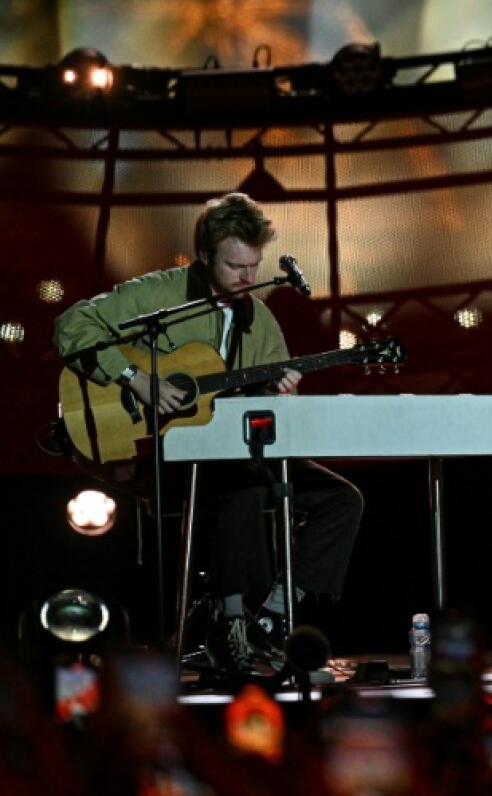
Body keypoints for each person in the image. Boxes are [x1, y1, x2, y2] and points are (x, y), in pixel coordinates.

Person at [53, 192, 363, 675]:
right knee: (237, 481)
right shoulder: (159, 294)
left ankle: (273, 616)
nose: (247, 278)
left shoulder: (259, 321)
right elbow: (73, 324)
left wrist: (279, 395)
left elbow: (273, 422)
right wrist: (136, 379)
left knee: (342, 499)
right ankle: (229, 623)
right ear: (204, 256)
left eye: (254, 266)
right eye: (235, 265)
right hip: (153, 453)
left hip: (233, 456)